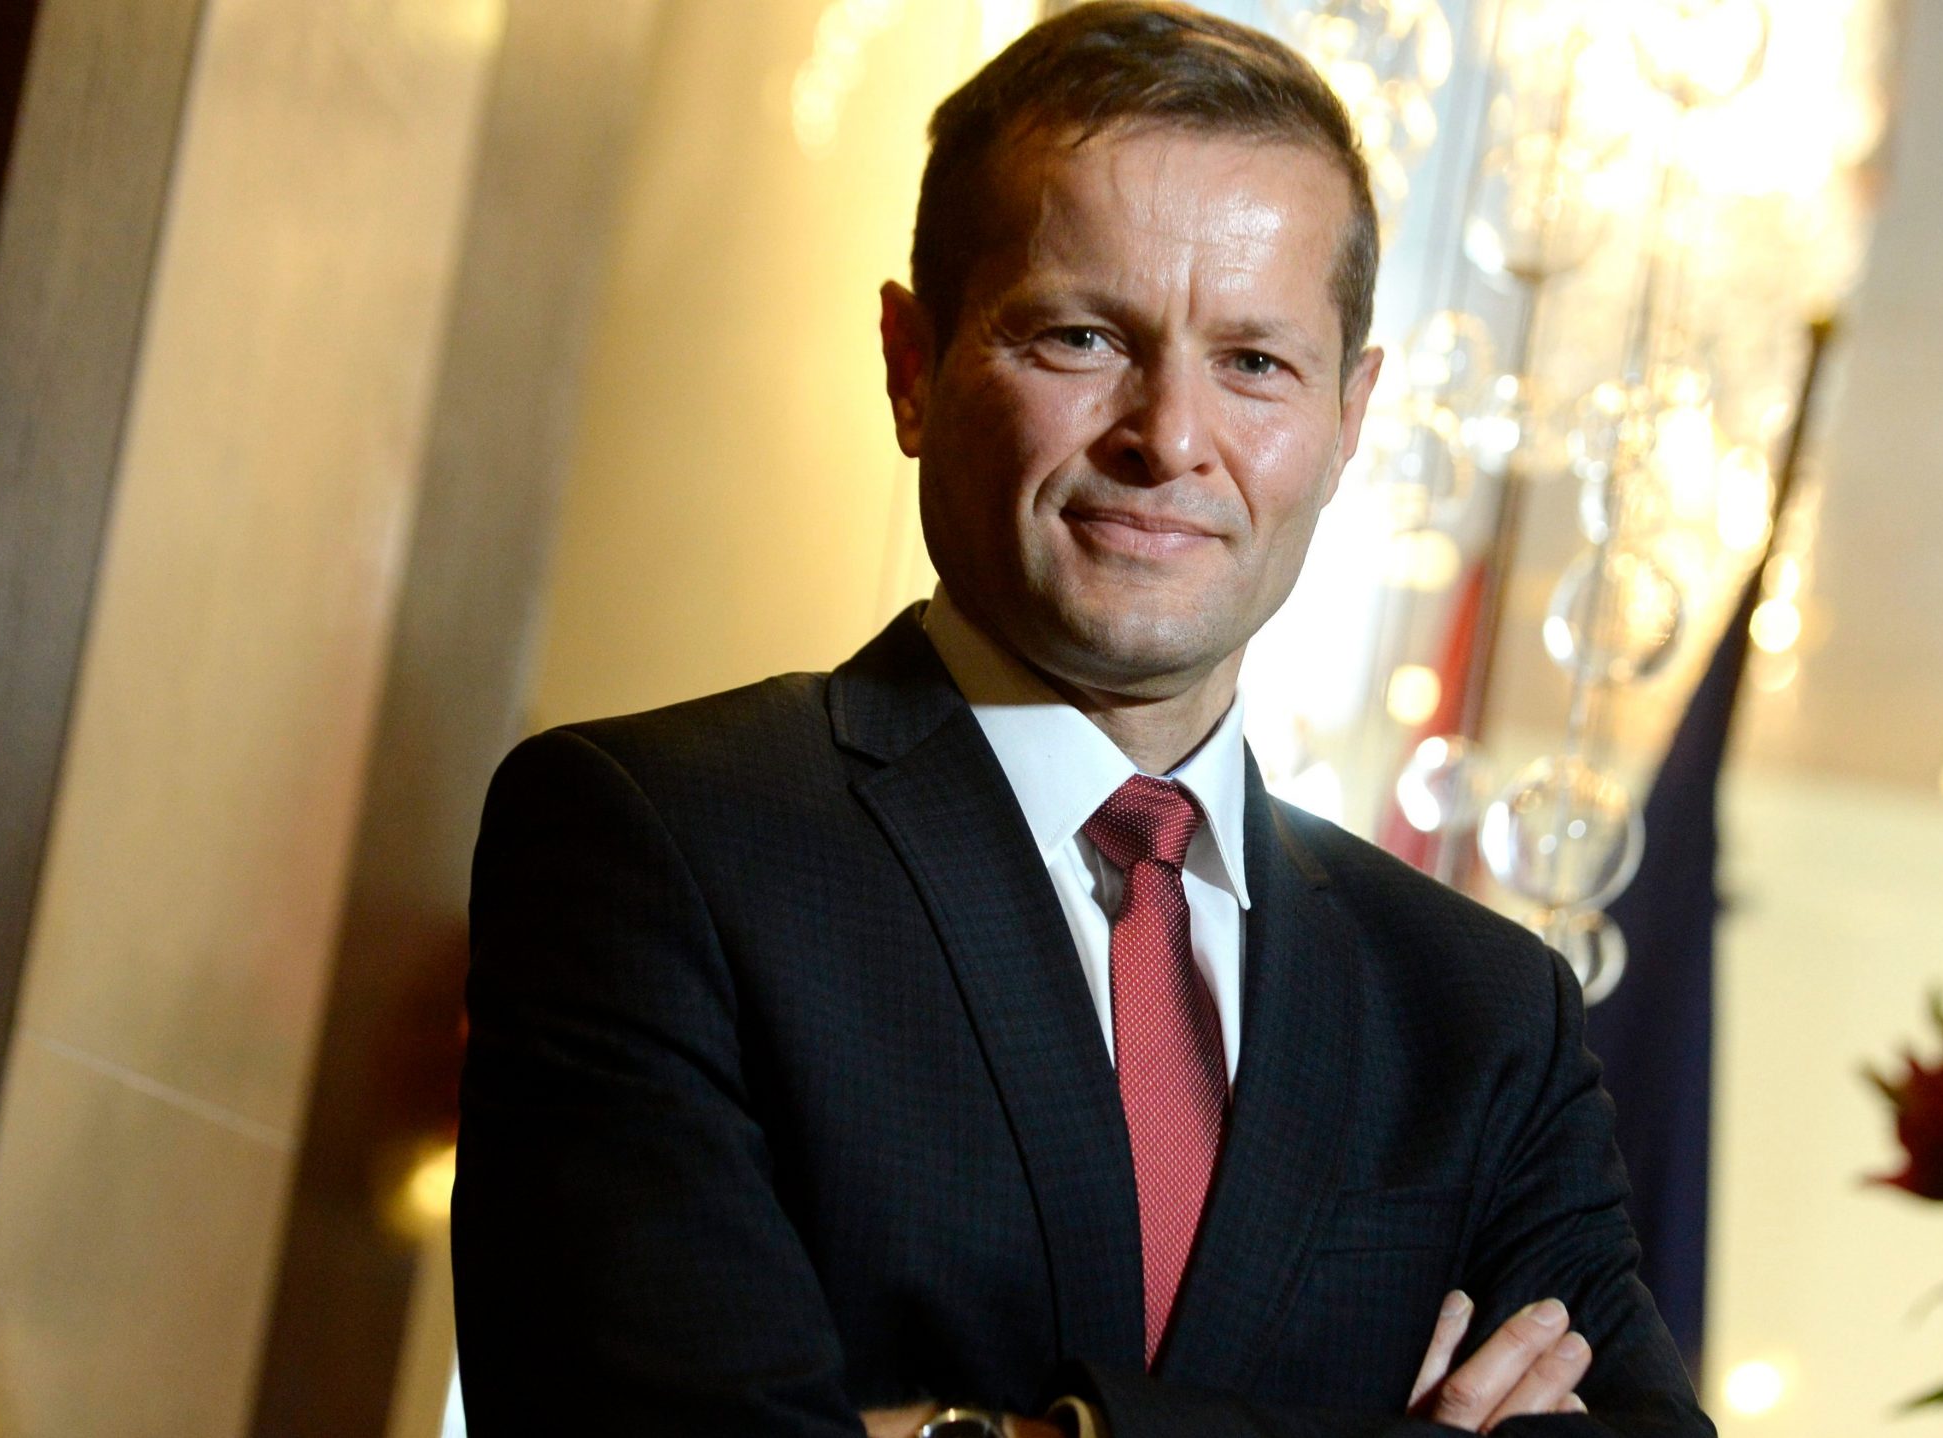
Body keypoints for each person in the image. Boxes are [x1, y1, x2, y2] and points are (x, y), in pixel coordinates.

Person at [453, 4, 1713, 1435]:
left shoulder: (1481, 1018)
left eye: (1255, 363)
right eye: (1081, 336)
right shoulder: (656, 843)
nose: (1167, 437)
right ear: (912, 362)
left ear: (1351, 417)